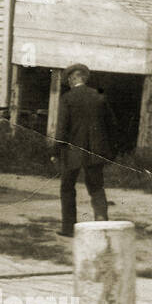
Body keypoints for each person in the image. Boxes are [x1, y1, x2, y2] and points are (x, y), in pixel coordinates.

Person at [52, 63, 111, 236]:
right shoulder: (99, 96)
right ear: (84, 78)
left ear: (72, 79)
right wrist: (107, 149)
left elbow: (62, 129)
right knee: (96, 188)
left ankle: (69, 228)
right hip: (95, 151)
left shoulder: (67, 98)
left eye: (69, 79)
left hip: (72, 152)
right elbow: (110, 124)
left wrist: (56, 152)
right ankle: (101, 224)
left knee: (67, 188)